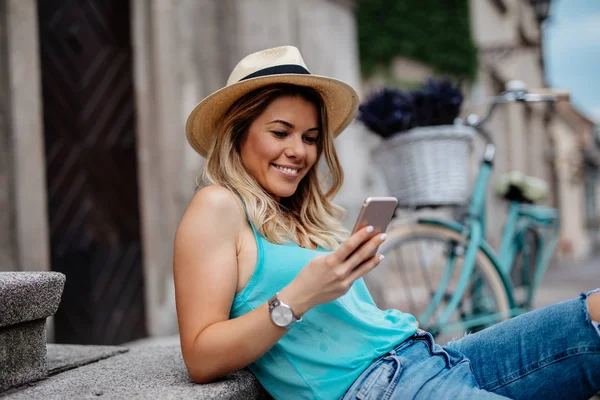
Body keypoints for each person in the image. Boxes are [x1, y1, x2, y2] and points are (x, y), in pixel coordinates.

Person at [174, 46, 600, 400]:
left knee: (595, 311)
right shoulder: (217, 206)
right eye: (280, 132)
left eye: (309, 137)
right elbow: (200, 355)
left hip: (427, 356)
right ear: (237, 133)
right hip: (381, 387)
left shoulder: (301, 214)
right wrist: (299, 296)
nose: (299, 152)